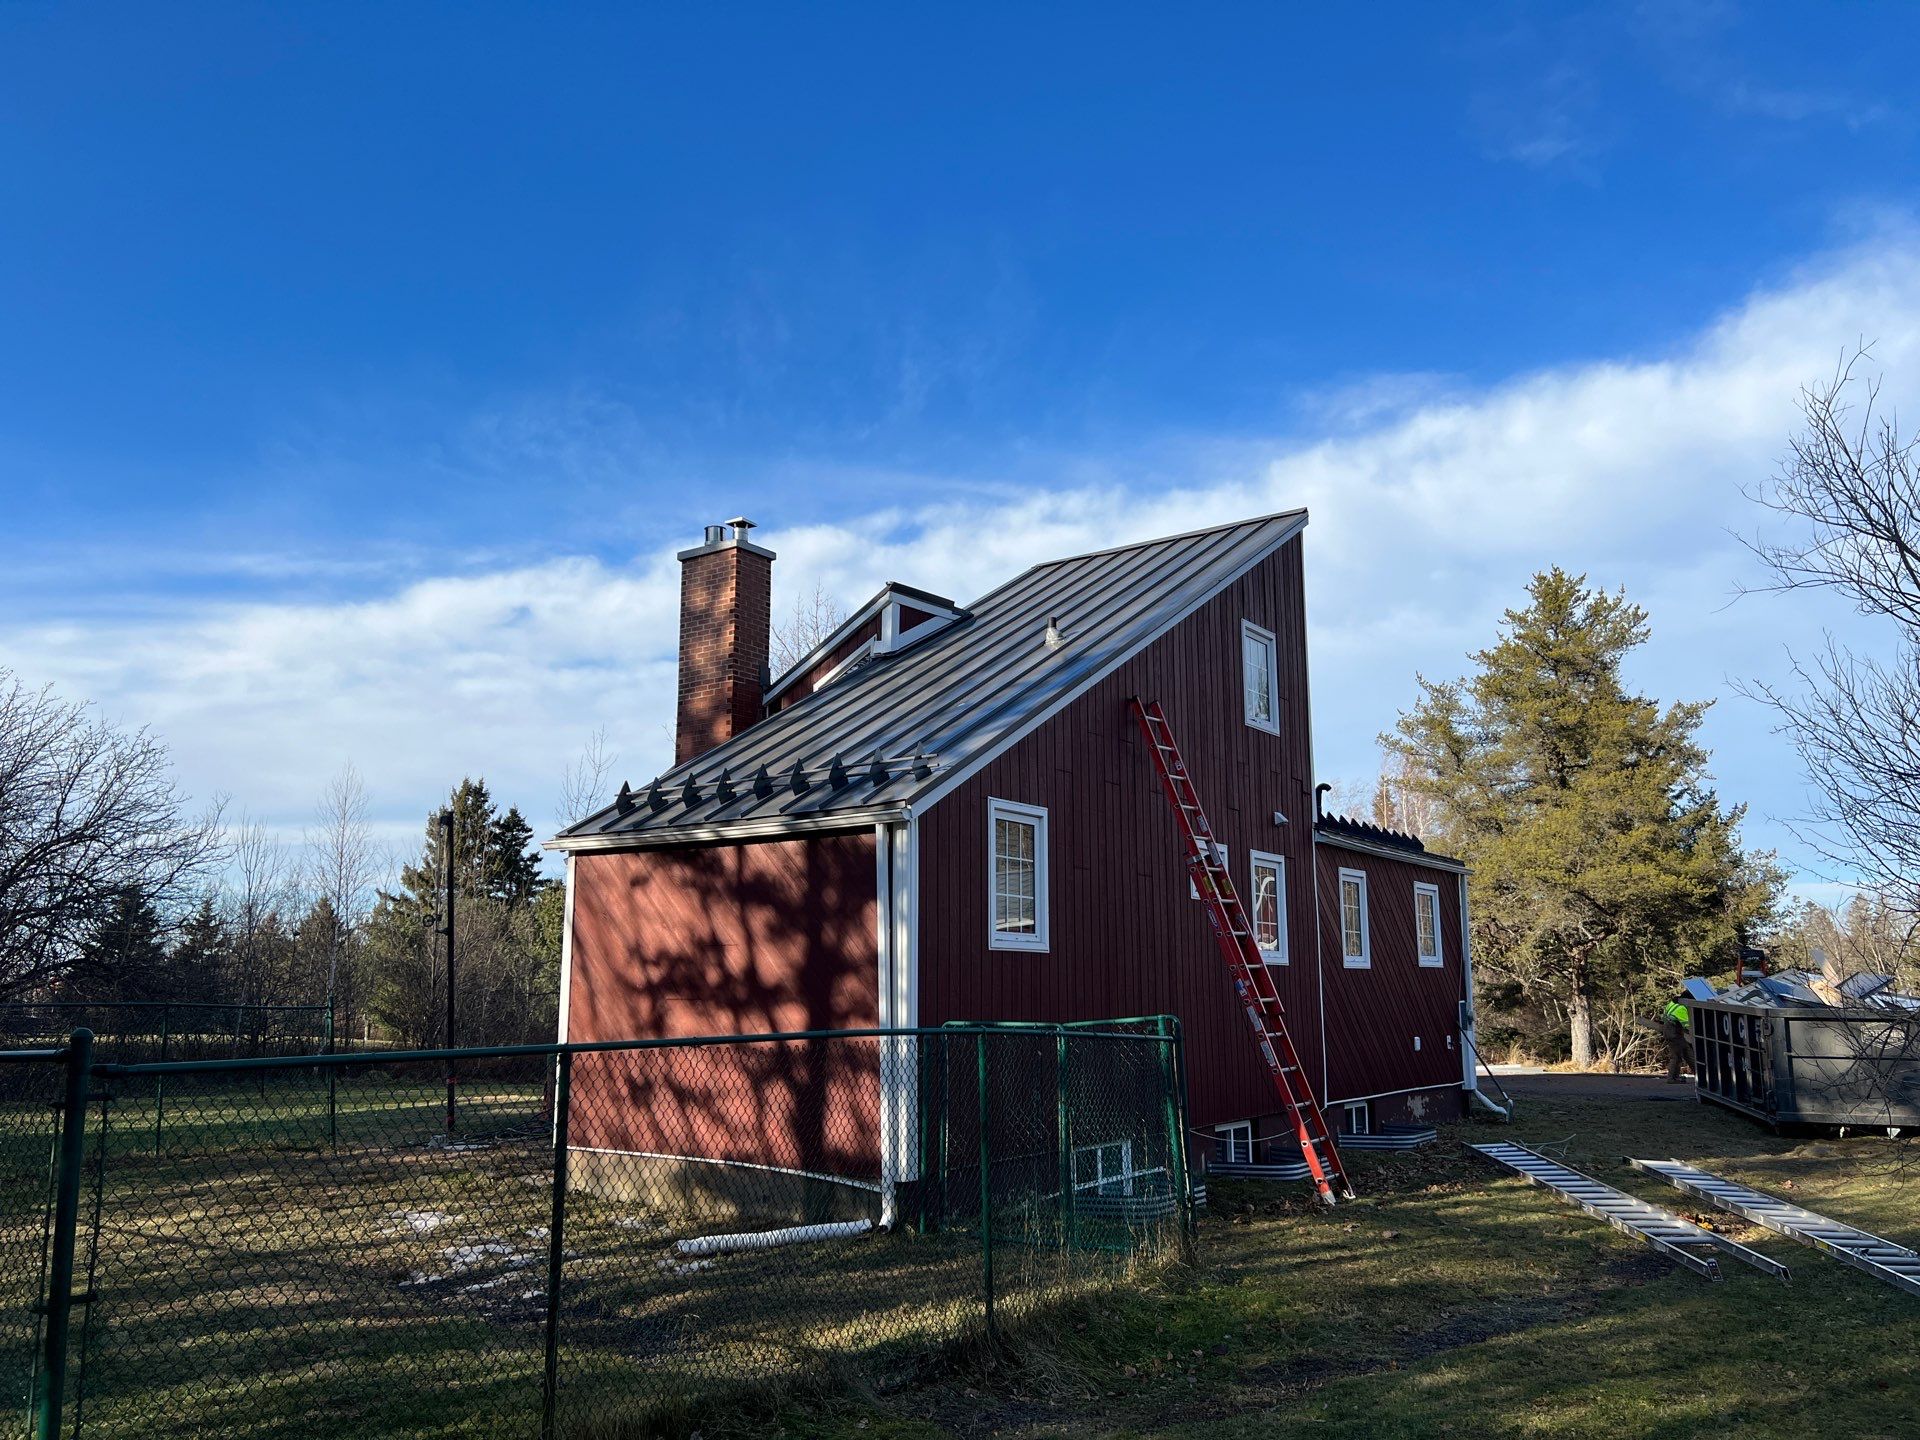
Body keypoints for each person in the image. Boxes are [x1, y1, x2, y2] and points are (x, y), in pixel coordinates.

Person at [1660, 998, 1691, 1084]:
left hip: (1668, 1030)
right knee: (1676, 1057)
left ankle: (1674, 1077)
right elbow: (1687, 1025)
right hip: (1674, 1033)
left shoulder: (1671, 1003)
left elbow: (1663, 1016)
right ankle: (1671, 1078)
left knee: (1681, 1054)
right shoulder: (1681, 1009)